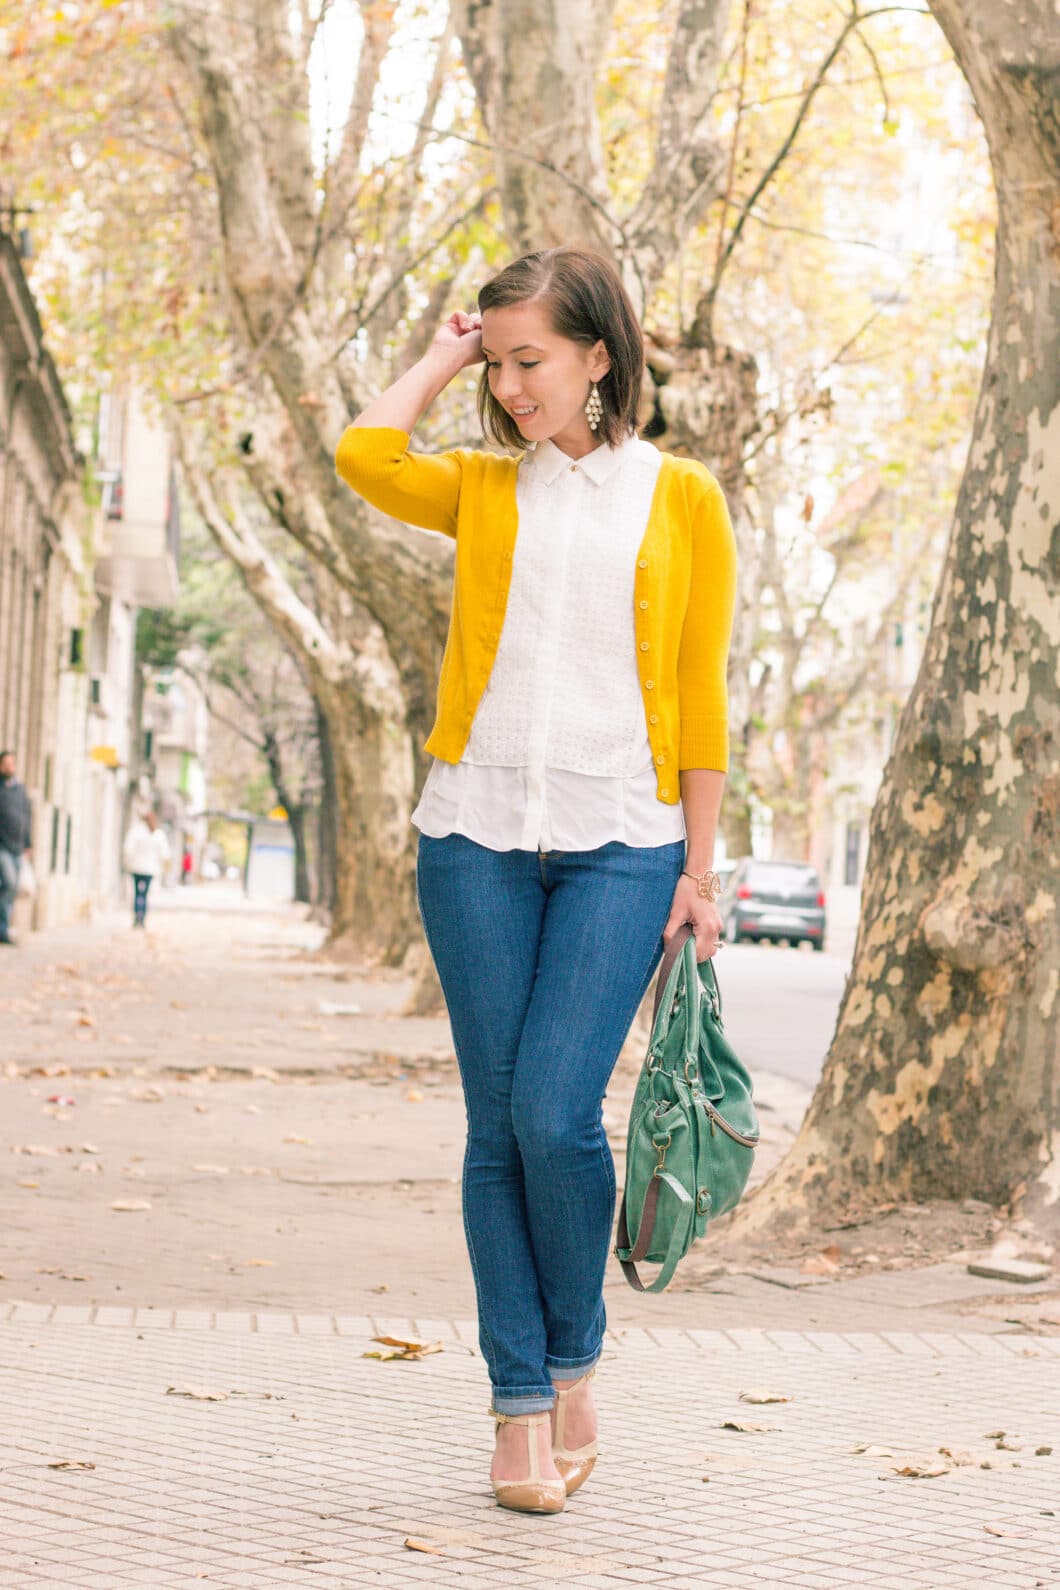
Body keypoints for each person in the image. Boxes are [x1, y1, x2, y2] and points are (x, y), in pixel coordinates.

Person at [335, 247, 736, 1515]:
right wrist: (447, 346)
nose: (512, 387)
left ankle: (576, 1366)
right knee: (492, 1128)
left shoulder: (681, 499)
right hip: (473, 841)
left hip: (624, 840)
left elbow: (704, 697)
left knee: (557, 1116)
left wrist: (701, 873)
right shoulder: (481, 490)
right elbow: (363, 456)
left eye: (532, 361)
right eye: (496, 366)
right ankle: (521, 1406)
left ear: (598, 357)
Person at [0, 750, 32, 947]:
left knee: (10, 890)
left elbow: (27, 817)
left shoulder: (20, 790)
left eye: (12, 763)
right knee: (10, 885)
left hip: (18, 848)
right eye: (5, 764)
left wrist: (29, 844)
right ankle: (3, 929)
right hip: (2, 846)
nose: (9, 767)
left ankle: (4, 927)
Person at [122, 809, 171, 928]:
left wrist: (127, 863)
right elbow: (165, 854)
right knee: (144, 894)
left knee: (137, 893)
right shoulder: (158, 834)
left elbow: (128, 849)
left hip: (136, 868)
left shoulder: (136, 832)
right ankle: (142, 918)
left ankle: (136, 918)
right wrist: (164, 868)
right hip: (150, 870)